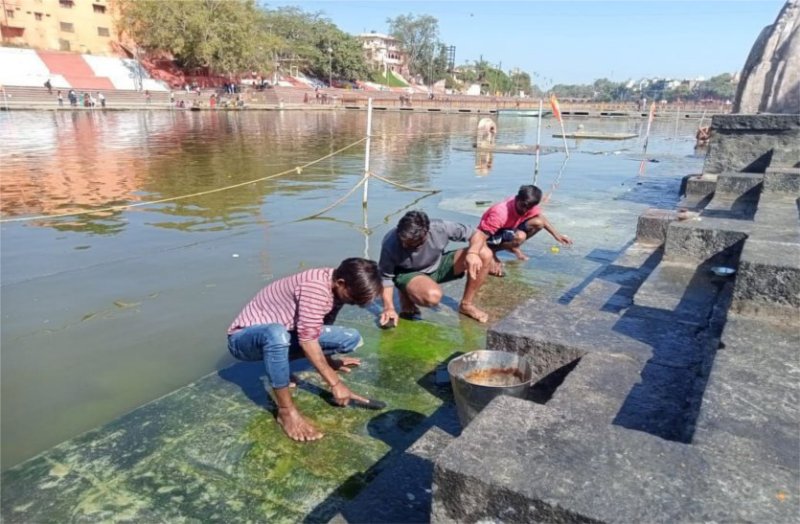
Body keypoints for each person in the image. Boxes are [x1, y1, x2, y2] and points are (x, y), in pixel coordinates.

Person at [227, 258, 382, 442]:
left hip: (285, 332)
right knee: (276, 334)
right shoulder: (315, 288)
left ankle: (279, 365)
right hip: (244, 340)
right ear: (341, 283)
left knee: (350, 337)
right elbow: (308, 340)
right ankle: (286, 412)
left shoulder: (338, 285)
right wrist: (335, 384)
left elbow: (321, 326)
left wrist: (330, 362)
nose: (354, 303)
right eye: (353, 299)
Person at [378, 210, 494, 326]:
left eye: (411, 244)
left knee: (485, 254)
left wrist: (472, 253)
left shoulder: (439, 227)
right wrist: (389, 307)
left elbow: (477, 234)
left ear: (426, 233)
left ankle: (466, 305)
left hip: (436, 265)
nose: (404, 246)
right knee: (432, 296)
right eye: (403, 242)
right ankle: (406, 292)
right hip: (408, 273)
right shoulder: (390, 242)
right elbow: (385, 278)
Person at [475, 185, 572, 276]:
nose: (525, 210)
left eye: (529, 208)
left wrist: (557, 235)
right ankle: (492, 250)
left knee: (538, 222)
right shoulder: (500, 213)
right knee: (520, 236)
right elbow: (479, 237)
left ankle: (513, 247)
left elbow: (541, 218)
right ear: (517, 199)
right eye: (523, 206)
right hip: (492, 235)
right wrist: (491, 258)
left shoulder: (529, 205)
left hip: (509, 228)